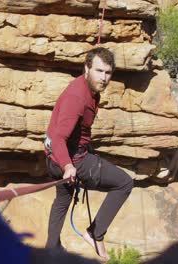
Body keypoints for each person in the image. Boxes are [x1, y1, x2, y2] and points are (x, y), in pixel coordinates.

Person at [44, 47, 134, 260]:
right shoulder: (77, 97)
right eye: (99, 71)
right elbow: (59, 137)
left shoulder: (87, 88)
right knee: (124, 183)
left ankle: (49, 252)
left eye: (108, 73)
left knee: (62, 201)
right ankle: (95, 234)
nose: (103, 78)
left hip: (54, 157)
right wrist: (68, 166)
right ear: (86, 68)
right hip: (72, 159)